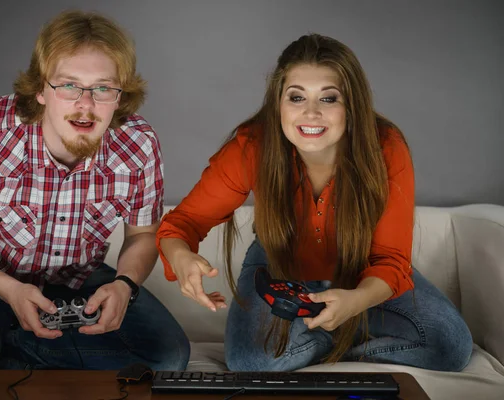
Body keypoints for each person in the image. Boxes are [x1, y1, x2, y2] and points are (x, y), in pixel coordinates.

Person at [156, 33, 473, 372]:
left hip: (364, 269)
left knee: (449, 345)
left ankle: (323, 339)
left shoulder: (386, 147)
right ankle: (346, 336)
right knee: (250, 362)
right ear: (278, 102)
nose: (310, 113)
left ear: (351, 106)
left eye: (328, 98)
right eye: (296, 97)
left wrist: (356, 302)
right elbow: (182, 224)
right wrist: (182, 255)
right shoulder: (251, 147)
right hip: (279, 268)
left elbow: (391, 259)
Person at [0, 10, 189, 399]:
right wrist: (9, 290)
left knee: (167, 359)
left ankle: (8, 348)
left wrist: (125, 284)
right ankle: (11, 341)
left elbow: (143, 234)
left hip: (75, 278)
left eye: (102, 88)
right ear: (41, 91)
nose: (85, 104)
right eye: (69, 86)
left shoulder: (139, 145)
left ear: (120, 96)